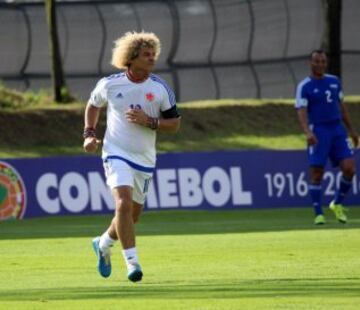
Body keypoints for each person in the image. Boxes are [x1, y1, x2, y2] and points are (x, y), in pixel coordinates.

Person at [83, 31, 181, 282]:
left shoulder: (159, 88)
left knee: (132, 216)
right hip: (116, 153)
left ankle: (103, 243)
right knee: (123, 204)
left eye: (153, 55)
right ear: (131, 57)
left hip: (145, 159)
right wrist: (89, 134)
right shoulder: (110, 83)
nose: (152, 59)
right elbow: (93, 105)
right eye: (146, 55)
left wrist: (149, 121)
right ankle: (132, 263)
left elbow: (175, 123)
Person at [295, 49, 358, 225]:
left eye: (323, 61)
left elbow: (341, 106)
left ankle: (336, 204)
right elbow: (301, 111)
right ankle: (318, 213)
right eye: (317, 61)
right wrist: (307, 132)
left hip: (337, 130)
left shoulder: (334, 81)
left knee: (350, 168)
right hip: (319, 131)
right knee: (317, 173)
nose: (320, 64)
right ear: (311, 63)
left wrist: (352, 130)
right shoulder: (305, 86)